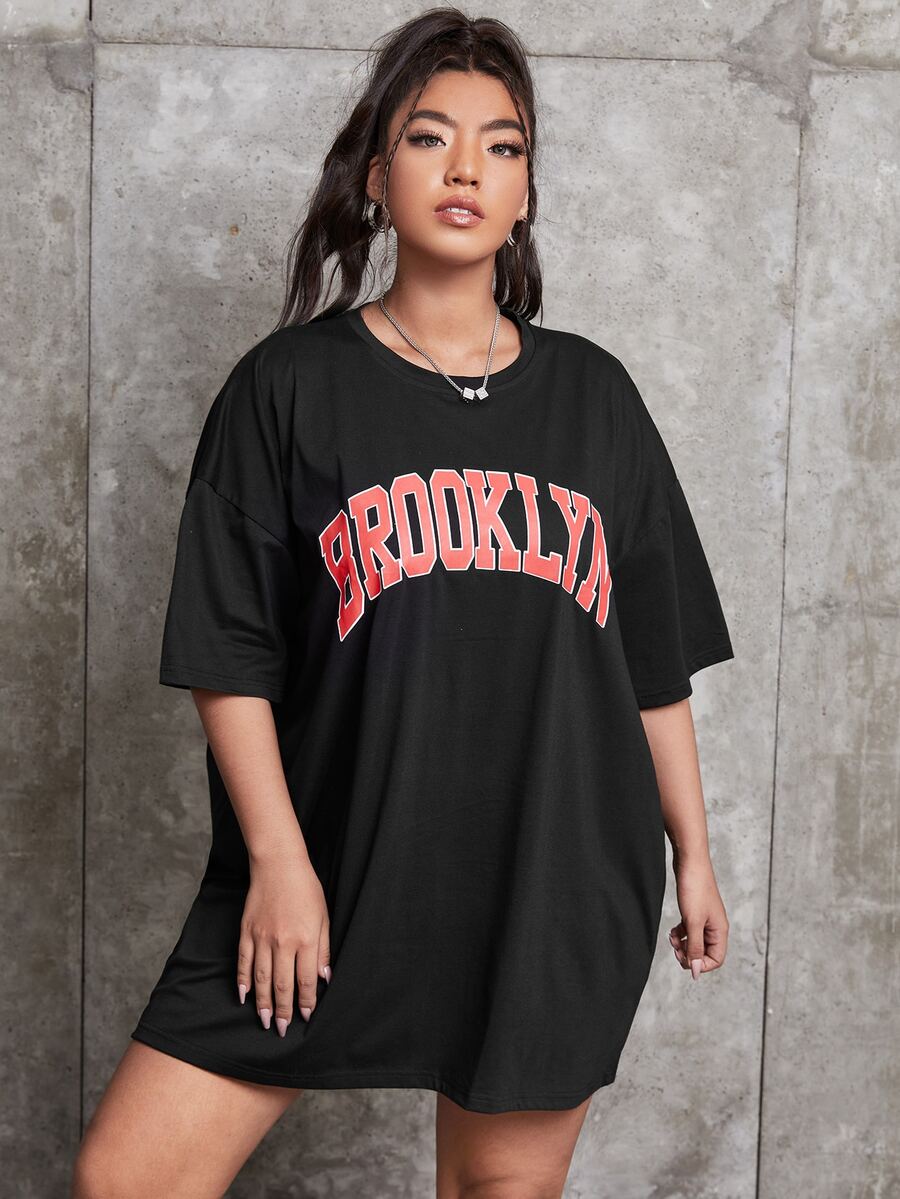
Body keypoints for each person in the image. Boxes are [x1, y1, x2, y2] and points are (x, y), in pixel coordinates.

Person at [72, 8, 735, 1198]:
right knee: (130, 1178)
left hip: (549, 873)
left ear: (526, 190)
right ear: (377, 177)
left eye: (502, 145)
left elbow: (653, 659)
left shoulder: (597, 398)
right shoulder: (288, 387)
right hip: (335, 859)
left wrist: (694, 851)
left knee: (499, 1190)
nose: (467, 167)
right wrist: (279, 861)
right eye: (430, 138)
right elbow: (229, 651)